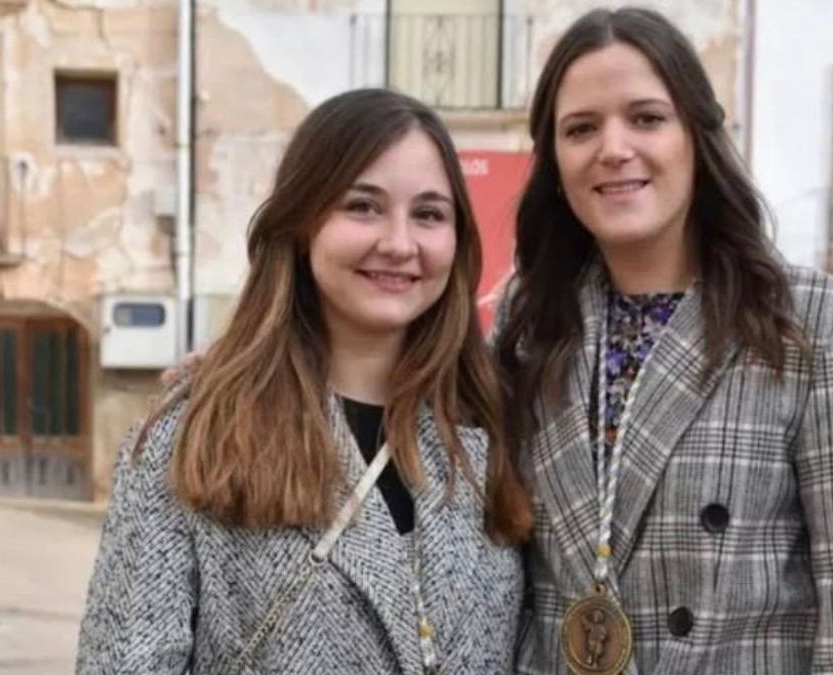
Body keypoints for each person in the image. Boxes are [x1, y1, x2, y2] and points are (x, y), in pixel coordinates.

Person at [492, 7, 833, 674]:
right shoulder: (528, 320)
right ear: (554, 161)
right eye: (581, 128)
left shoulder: (824, 325)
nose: (613, 147)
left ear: (698, 134)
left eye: (646, 117)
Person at [76, 88, 532, 674]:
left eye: (429, 214)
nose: (399, 243)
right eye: (362, 206)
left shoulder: (490, 429)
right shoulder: (188, 437)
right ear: (300, 224)